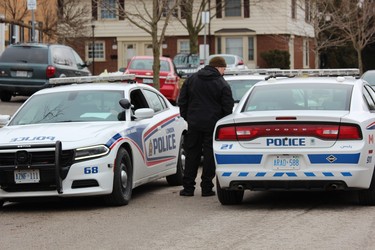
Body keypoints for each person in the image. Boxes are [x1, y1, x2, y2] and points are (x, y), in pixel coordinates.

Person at [178, 56, 234, 197]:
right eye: (224, 69)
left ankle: (188, 188)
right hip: (213, 125)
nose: (224, 72)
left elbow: (182, 100)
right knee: (209, 156)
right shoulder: (222, 84)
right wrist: (221, 123)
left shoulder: (192, 79)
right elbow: (228, 107)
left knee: (192, 154)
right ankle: (207, 187)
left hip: (194, 123)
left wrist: (188, 117)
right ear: (219, 67)